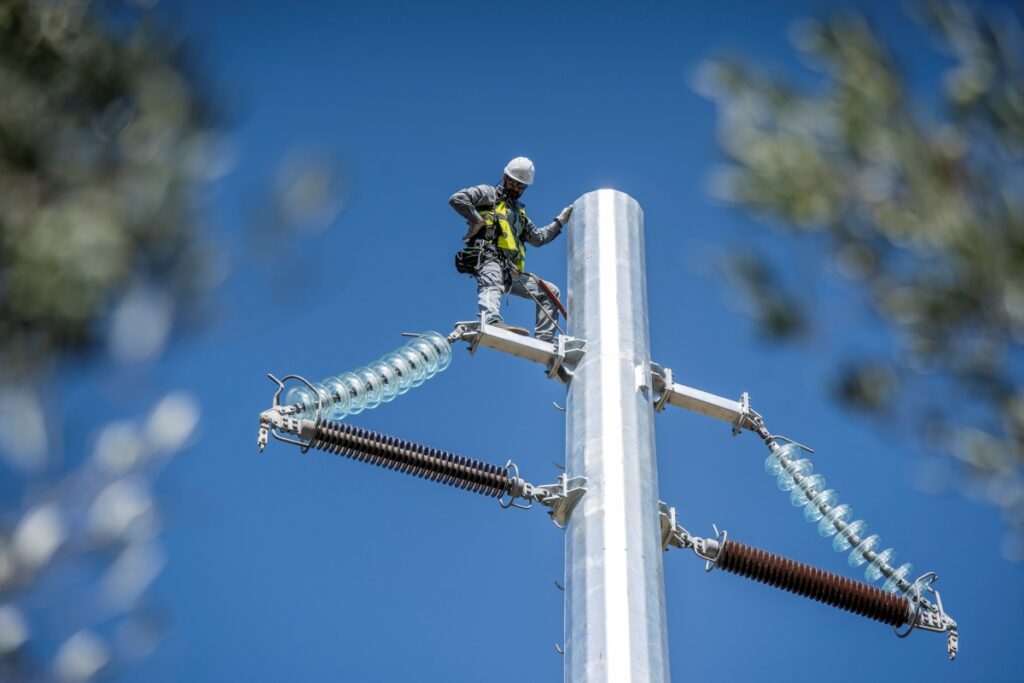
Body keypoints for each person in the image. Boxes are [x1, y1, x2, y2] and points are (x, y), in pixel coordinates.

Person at [449, 157, 573, 342]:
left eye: (520, 186)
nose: (516, 189)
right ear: (505, 177)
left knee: (550, 292)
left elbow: (538, 239)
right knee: (492, 282)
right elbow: (458, 199)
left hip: (510, 271)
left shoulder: (520, 216)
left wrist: (559, 221)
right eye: (513, 183)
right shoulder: (489, 193)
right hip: (488, 257)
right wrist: (477, 220)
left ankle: (544, 340)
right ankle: (490, 320)